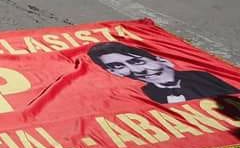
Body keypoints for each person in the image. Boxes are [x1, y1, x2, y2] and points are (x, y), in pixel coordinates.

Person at [88, 43, 238, 104]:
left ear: (162, 60)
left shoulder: (200, 76)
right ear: (113, 72)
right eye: (118, 66)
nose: (137, 71)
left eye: (137, 62)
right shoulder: (147, 95)